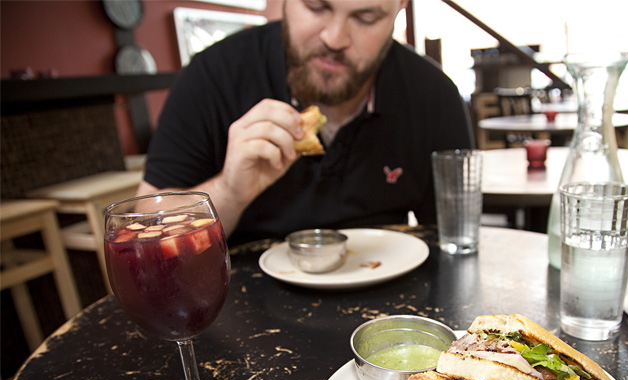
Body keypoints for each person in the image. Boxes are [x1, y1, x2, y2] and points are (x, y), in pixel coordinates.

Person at [138, 0, 475, 245]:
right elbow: (145, 233)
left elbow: (457, 241)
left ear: (399, 8)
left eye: (366, 17)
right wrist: (229, 191)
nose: (335, 38)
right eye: (316, 6)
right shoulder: (213, 76)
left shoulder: (434, 95)